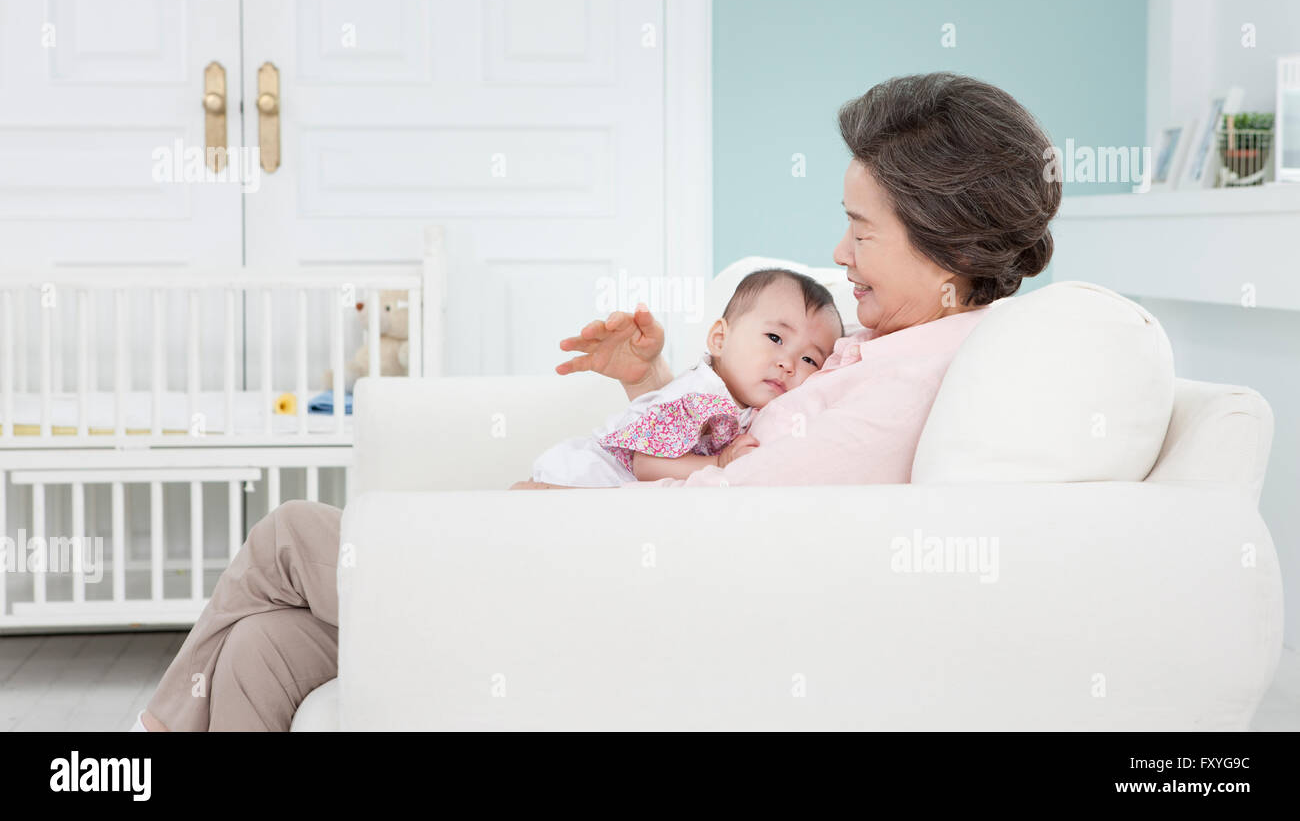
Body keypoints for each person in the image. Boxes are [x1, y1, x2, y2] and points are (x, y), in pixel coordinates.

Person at [137, 72, 1061, 730]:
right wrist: (649, 389)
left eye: (862, 230)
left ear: (943, 247)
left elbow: (742, 529)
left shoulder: (898, 389)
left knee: (292, 533)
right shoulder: (880, 346)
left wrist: (565, 515)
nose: (842, 251)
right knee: (263, 650)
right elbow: (730, 445)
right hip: (572, 556)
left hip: (586, 588)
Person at [529, 268, 843, 486]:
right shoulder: (702, 394)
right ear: (720, 339)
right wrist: (718, 465)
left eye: (808, 359)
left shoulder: (753, 405)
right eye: (775, 338)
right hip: (582, 476)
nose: (788, 363)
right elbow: (647, 464)